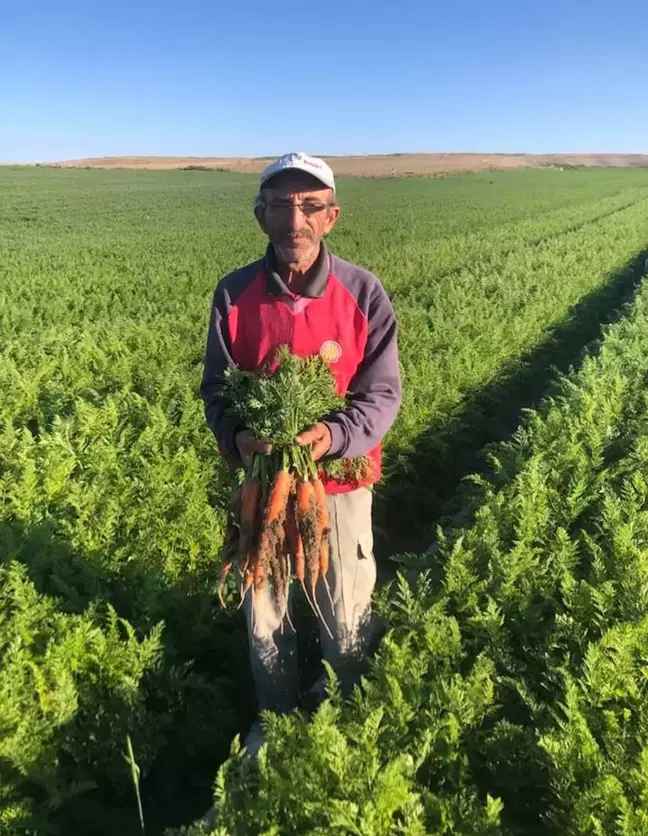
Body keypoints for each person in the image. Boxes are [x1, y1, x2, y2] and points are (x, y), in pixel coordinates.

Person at [200, 151, 401, 755]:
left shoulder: (363, 293)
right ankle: (280, 724)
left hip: (337, 486)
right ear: (260, 216)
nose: (296, 218)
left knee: (344, 612)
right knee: (265, 611)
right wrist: (238, 437)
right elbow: (216, 387)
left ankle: (343, 723)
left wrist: (334, 437)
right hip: (261, 487)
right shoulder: (233, 294)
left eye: (310, 206)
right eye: (282, 206)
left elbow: (383, 394)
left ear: (331, 217)